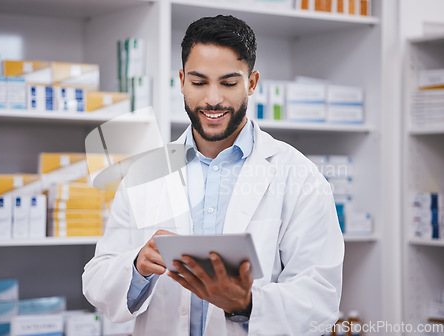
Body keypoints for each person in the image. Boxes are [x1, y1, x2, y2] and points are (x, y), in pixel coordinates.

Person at [83, 15, 344, 336]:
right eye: (199, 82)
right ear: (181, 80)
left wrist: (246, 303)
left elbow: (321, 298)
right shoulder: (147, 171)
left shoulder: (299, 176)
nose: (213, 99)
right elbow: (97, 278)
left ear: (252, 82)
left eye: (229, 83)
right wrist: (137, 267)